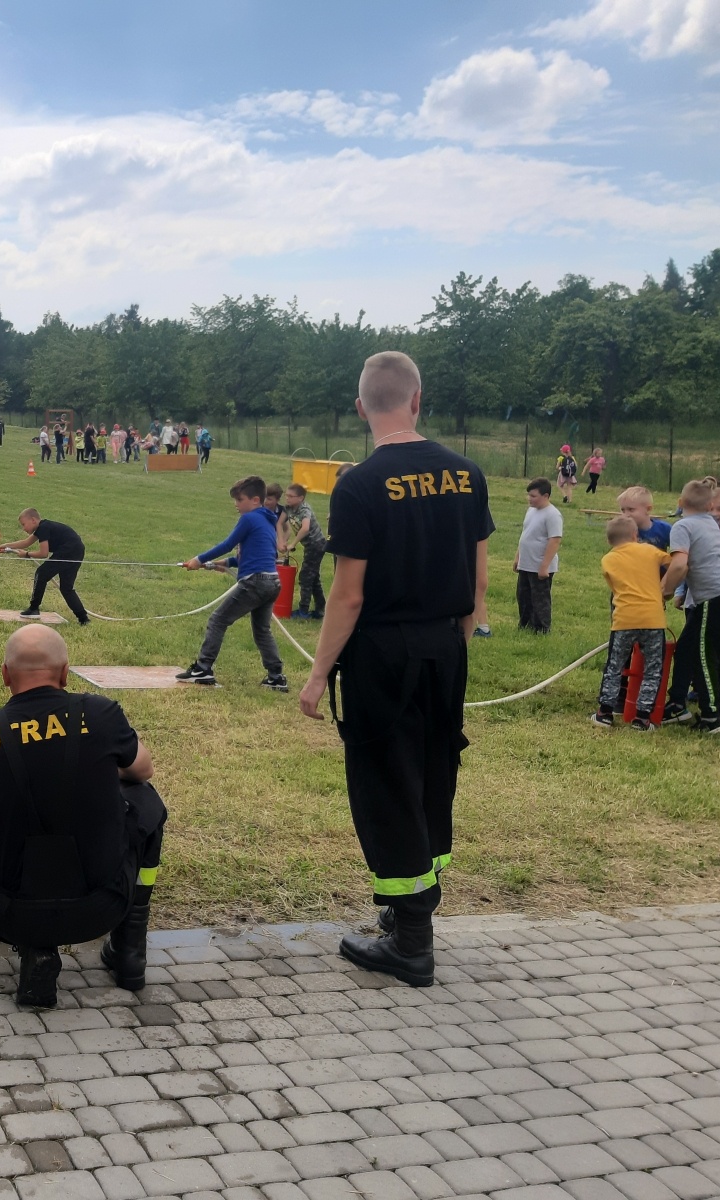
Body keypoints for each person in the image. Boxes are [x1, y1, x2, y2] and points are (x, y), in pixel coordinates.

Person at [297, 350, 493, 988]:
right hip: (446, 647)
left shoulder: (358, 485)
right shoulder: (468, 474)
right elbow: (478, 577)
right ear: (417, 400)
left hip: (384, 654)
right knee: (435, 771)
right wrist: (454, 640)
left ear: (361, 408)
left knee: (387, 783)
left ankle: (411, 943)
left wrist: (319, 672)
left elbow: (348, 595)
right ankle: (411, 910)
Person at [0, 625, 166, 1006]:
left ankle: (36, 949)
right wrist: (99, 767)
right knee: (147, 801)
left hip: (9, 914)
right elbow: (143, 771)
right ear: (65, 672)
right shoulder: (101, 715)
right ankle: (129, 952)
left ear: (5, 674)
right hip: (99, 908)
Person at [176, 476, 287, 690]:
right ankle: (276, 676)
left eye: (239, 499)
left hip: (255, 582)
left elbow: (228, 544)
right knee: (262, 630)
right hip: (272, 582)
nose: (236, 504)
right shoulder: (266, 521)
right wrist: (221, 564)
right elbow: (258, 556)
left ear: (255, 500)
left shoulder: (249, 519)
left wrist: (198, 560)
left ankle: (203, 668)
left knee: (218, 620)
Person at [663, 478, 720, 732]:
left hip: (716, 596)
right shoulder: (709, 523)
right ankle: (678, 704)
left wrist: (664, 592)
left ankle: (712, 716)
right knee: (688, 647)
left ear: (680, 503)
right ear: (710, 505)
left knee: (702, 653)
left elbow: (680, 565)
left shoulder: (682, 525)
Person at [592, 516, 670, 731]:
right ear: (636, 536)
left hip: (624, 620)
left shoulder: (607, 560)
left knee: (614, 666)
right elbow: (673, 563)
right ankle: (642, 718)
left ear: (609, 541)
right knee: (653, 668)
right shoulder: (650, 551)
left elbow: (614, 586)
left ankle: (605, 713)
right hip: (653, 620)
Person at [0, 508, 89, 624]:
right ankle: (83, 618)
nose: (23, 528)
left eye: (24, 524)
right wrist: (5, 546)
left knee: (41, 573)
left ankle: (34, 608)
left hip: (69, 551)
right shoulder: (43, 527)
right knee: (66, 588)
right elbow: (25, 543)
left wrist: (26, 554)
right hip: (77, 550)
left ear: (33, 520)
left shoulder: (43, 528)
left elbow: (43, 553)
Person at [516, 478, 563, 633]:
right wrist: (518, 558)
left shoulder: (552, 515)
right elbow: (525, 535)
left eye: (533, 496)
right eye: (529, 495)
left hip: (540, 566)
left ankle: (541, 628)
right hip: (526, 563)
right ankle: (525, 624)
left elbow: (554, 540)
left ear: (546, 496)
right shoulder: (531, 511)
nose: (530, 499)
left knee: (539, 599)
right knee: (523, 596)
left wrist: (544, 566)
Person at [283, 483, 329, 620]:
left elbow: (305, 528)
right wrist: (282, 540)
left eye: (291, 496)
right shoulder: (289, 508)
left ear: (301, 498)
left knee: (305, 577)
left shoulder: (305, 509)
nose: (287, 498)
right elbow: (280, 522)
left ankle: (303, 612)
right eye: (286, 495)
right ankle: (321, 609)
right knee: (313, 578)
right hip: (310, 546)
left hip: (316, 545)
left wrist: (293, 543)